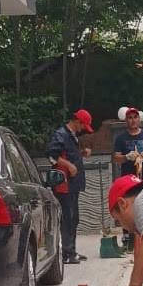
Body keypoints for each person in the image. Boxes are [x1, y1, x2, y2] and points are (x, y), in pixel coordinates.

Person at [47, 109, 93, 264]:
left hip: (73, 185)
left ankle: (71, 250)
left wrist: (81, 153)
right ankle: (66, 253)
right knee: (67, 218)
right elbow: (52, 156)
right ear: (77, 121)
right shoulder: (61, 134)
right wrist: (69, 166)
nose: (83, 130)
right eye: (83, 126)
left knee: (74, 218)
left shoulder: (72, 136)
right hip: (64, 184)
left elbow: (68, 153)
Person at [113, 107, 143, 251]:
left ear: (139, 119)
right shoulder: (121, 138)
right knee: (127, 207)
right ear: (126, 120)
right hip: (127, 179)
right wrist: (127, 157)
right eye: (130, 118)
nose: (133, 120)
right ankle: (127, 239)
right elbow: (115, 158)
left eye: (135, 117)